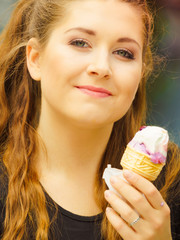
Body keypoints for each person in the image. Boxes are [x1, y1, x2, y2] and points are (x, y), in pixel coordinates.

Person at [0, 0, 179, 239]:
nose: (102, 67)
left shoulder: (172, 182)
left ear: (140, 74)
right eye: (80, 43)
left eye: (124, 53)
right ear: (35, 59)